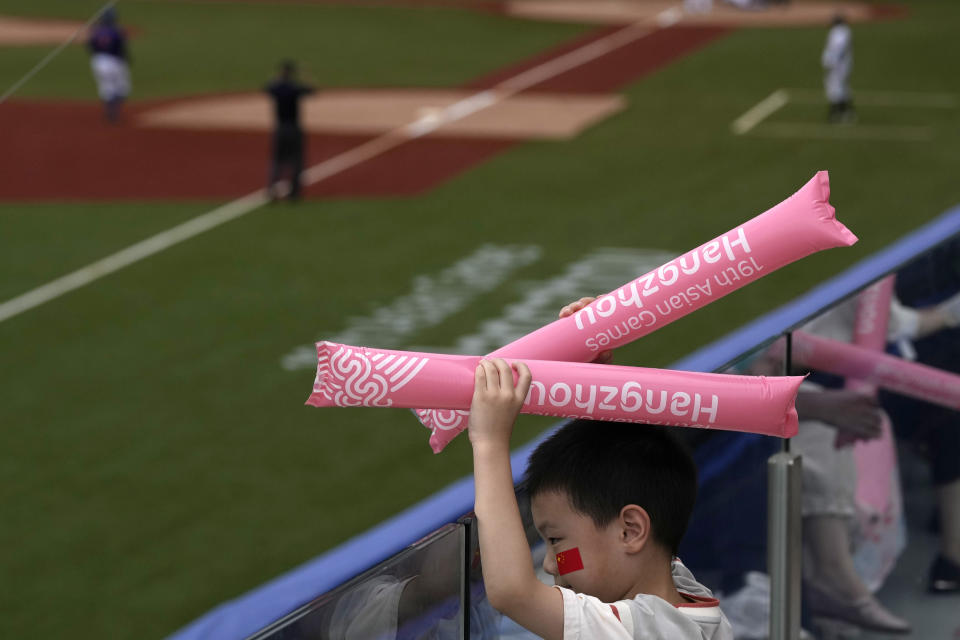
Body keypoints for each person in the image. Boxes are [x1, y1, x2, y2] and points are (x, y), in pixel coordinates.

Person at [468, 357, 733, 639]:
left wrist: (489, 442)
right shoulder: (679, 590)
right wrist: (593, 378)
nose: (548, 564)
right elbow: (621, 458)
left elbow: (513, 592)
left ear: (630, 531)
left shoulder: (646, 631)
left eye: (555, 540)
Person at [264, 60, 313, 202]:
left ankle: (272, 190)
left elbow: (267, 88)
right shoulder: (294, 88)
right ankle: (295, 193)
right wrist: (305, 77)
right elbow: (311, 91)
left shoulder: (277, 88)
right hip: (294, 128)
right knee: (296, 160)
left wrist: (277, 79)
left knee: (277, 161)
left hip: (280, 129)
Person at [87, 7, 130, 123]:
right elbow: (121, 48)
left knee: (106, 88)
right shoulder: (117, 31)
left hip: (98, 62)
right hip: (115, 61)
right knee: (122, 88)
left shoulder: (95, 31)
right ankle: (115, 111)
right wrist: (127, 59)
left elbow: (90, 47)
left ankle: (109, 111)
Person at [822, 13, 855, 123]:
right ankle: (846, 112)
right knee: (842, 88)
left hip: (838, 66)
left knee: (835, 89)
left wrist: (831, 63)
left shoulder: (838, 33)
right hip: (843, 65)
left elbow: (837, 50)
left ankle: (837, 113)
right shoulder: (844, 31)